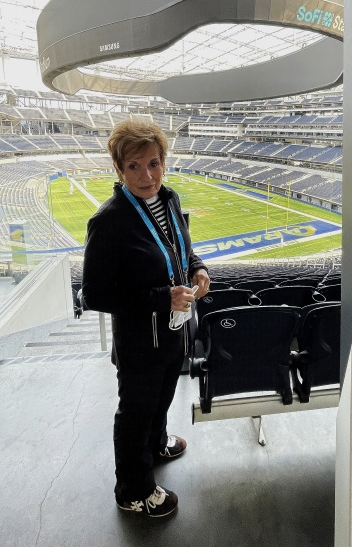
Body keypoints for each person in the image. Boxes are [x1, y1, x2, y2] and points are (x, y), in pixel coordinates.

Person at [82, 120, 210, 518]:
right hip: (140, 342)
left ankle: (157, 443)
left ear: (163, 162)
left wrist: (197, 268)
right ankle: (132, 489)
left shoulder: (169, 199)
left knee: (163, 399)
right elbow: (94, 294)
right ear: (119, 168)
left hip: (174, 332)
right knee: (135, 414)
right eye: (134, 166)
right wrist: (160, 298)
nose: (147, 176)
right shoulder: (108, 221)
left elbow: (180, 249)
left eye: (154, 163)